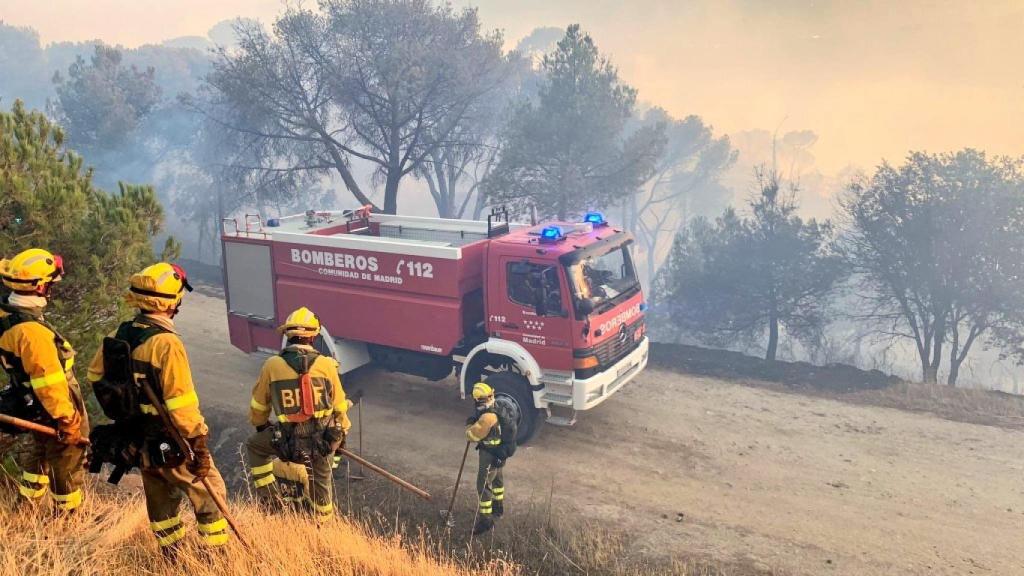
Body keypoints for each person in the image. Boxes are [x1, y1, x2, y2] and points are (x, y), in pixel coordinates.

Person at [86, 262, 229, 552]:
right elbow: (181, 403)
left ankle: (171, 556)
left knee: (160, 498)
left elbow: (94, 375)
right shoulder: (166, 344)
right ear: (173, 301)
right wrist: (197, 444)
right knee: (211, 493)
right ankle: (217, 556)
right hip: (170, 437)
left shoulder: (122, 331)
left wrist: (127, 408)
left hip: (137, 436)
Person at [0, 248, 89, 513]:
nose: (52, 287)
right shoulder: (32, 334)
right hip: (54, 406)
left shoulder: (9, 316)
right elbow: (49, 383)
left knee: (38, 454)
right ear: (40, 287)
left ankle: (25, 507)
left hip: (32, 403)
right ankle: (68, 516)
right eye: (50, 282)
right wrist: (68, 421)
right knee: (67, 460)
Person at [246, 306, 351, 521]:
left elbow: (258, 408)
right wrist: (341, 437)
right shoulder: (327, 365)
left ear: (288, 334)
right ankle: (321, 523)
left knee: (255, 446)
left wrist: (263, 428)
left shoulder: (272, 365)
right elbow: (340, 407)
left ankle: (270, 499)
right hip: (322, 442)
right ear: (313, 336)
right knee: (322, 485)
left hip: (286, 440)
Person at [465, 382, 517, 535]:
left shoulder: (487, 418)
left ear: (477, 400)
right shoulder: (498, 408)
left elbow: (472, 435)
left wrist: (469, 426)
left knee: (483, 485)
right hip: (500, 454)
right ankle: (498, 508)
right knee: (497, 481)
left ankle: (485, 521)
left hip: (489, 454)